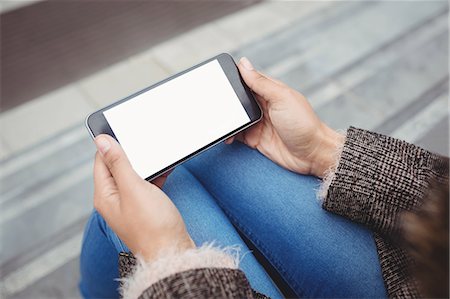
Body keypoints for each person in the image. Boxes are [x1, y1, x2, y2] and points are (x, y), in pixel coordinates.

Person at [79, 57, 449, 298]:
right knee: (189, 164)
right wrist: (323, 147)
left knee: (143, 196)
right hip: (422, 270)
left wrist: (166, 258)